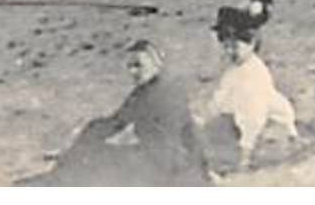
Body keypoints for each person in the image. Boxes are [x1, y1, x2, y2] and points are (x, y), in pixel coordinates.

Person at [32, 41, 211, 186]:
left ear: (156, 64)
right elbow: (117, 122)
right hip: (166, 156)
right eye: (130, 67)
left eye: (138, 66)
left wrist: (85, 140)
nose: (133, 72)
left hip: (166, 162)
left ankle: (60, 179)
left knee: (101, 159)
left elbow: (120, 125)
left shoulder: (158, 92)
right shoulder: (153, 89)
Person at [205, 8, 299, 171]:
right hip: (248, 124)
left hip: (270, 131)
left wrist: (245, 155)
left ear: (253, 43)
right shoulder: (235, 71)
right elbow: (220, 100)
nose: (230, 52)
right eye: (226, 46)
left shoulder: (253, 75)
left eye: (235, 47)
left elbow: (254, 116)